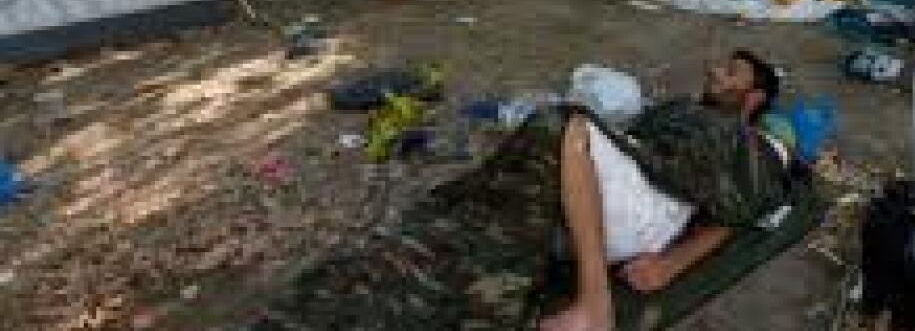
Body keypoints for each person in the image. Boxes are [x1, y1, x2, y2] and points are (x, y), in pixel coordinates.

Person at [255, 51, 808, 331]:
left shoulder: (756, 141)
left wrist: (672, 265)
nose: (716, 72)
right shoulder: (680, 109)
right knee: (427, 237)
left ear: (755, 98)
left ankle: (594, 305)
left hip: (649, 207)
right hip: (614, 184)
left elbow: (758, 210)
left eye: (733, 72)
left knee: (560, 123)